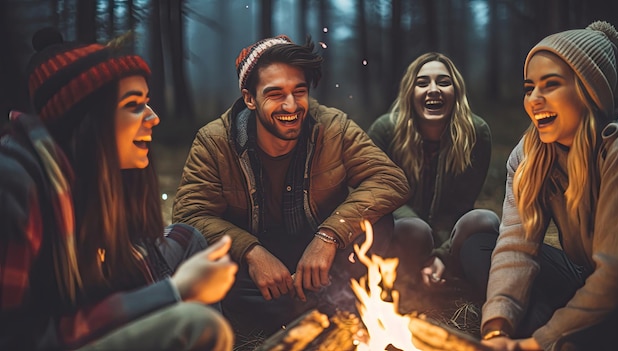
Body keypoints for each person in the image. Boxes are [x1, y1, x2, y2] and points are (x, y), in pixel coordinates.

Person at [0, 28, 237, 350]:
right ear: (88, 120)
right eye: (133, 104)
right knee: (198, 326)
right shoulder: (14, 185)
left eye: (147, 102)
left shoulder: (97, 172)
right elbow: (19, 339)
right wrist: (174, 291)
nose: (153, 118)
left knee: (187, 239)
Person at [172, 35, 410, 341]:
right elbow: (190, 213)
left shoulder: (333, 127)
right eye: (275, 94)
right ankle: (320, 306)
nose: (291, 105)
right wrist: (251, 251)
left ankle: (315, 304)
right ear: (249, 98)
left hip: (322, 258)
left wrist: (330, 235)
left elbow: (389, 179)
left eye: (299, 91)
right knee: (204, 261)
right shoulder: (215, 140)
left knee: (381, 224)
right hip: (256, 271)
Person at [460, 21, 618, 351]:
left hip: (617, 289)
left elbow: (614, 275)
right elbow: (516, 246)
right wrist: (497, 325)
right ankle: (558, 333)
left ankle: (558, 336)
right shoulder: (529, 154)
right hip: (585, 278)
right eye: (529, 87)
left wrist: (537, 342)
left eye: (550, 85)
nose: (534, 99)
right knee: (478, 245)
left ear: (588, 91)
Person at [367, 52, 499, 286]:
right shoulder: (385, 130)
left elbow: (461, 206)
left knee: (485, 219)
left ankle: (441, 273)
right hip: (402, 235)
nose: (434, 89)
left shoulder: (477, 132)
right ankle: (402, 279)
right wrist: (423, 237)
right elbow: (379, 196)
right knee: (415, 229)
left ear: (456, 91)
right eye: (422, 83)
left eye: (444, 82)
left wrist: (441, 256)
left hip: (451, 241)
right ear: (410, 91)